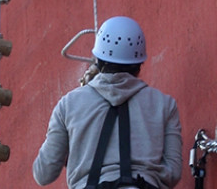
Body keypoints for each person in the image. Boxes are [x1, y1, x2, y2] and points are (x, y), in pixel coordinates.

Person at [33, 16, 182, 189]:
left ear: (98, 59)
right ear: (139, 63)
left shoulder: (68, 104)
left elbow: (43, 174)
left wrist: (76, 152)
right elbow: (173, 173)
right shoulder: (164, 104)